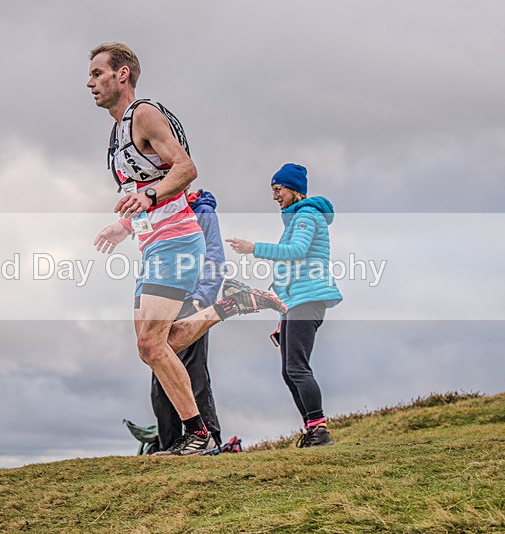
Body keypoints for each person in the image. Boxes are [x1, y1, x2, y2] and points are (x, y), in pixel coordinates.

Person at [87, 42, 286, 455]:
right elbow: (145, 191)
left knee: (151, 346)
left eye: (97, 73)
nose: (89, 82)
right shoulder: (119, 130)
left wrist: (150, 198)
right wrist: (125, 225)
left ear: (121, 75)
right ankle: (232, 305)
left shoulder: (143, 113)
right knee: (158, 346)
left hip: (176, 241)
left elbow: (186, 169)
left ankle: (198, 435)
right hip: (152, 243)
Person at [227, 163, 342, 448]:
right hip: (297, 302)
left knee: (297, 367)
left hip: (308, 300)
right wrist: (282, 310)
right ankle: (313, 430)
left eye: (278, 190)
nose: (275, 196)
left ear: (293, 189)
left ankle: (319, 430)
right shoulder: (298, 220)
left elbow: (296, 252)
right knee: (290, 369)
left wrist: (254, 248)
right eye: (273, 191)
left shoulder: (306, 215)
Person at [151, 188, 224, 451]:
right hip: (164, 299)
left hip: (192, 299)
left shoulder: (203, 211)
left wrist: (202, 298)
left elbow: (214, 256)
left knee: (194, 371)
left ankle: (210, 439)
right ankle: (170, 443)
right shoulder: (163, 212)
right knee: (161, 370)